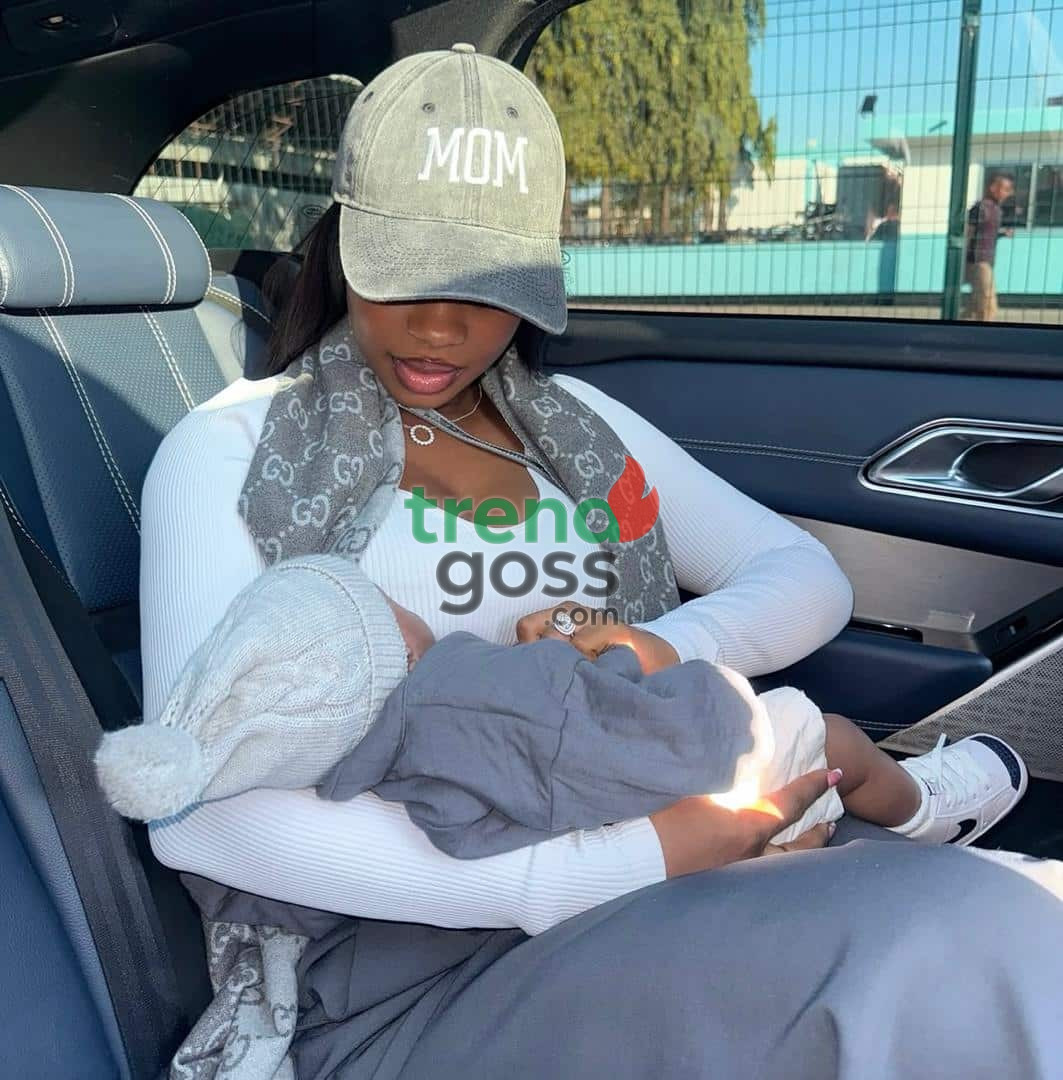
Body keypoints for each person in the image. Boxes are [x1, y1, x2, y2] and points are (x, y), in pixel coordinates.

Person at [142, 45, 1063, 1079]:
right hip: (411, 949)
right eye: (402, 273)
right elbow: (199, 813)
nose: (441, 327)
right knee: (967, 954)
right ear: (342, 242)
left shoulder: (573, 433)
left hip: (652, 823)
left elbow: (799, 573)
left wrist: (646, 654)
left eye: (486, 286)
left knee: (1023, 919)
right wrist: (633, 859)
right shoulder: (233, 452)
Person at [104, 553, 1027, 856]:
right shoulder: (466, 685)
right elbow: (602, 719)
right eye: (386, 604)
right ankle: (923, 811)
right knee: (832, 736)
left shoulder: (378, 767)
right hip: (710, 759)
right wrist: (611, 656)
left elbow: (470, 830)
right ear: (399, 649)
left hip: (621, 824)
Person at [963, 171, 1015, 321]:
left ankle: (954, 328)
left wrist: (1002, 233)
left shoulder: (996, 209)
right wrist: (965, 261)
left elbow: (987, 233)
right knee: (988, 304)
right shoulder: (981, 208)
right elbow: (968, 233)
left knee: (974, 307)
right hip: (978, 261)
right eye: (1006, 189)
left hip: (987, 260)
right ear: (993, 188)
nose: (1009, 193)